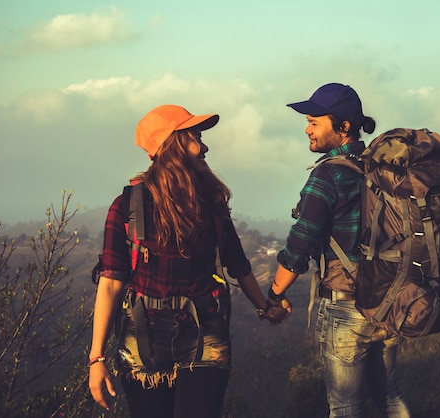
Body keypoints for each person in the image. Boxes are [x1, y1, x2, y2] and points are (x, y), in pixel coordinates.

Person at [88, 104, 291, 418]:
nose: (204, 145)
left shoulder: (211, 201)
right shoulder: (128, 205)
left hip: (204, 331)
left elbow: (238, 264)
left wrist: (265, 307)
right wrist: (96, 358)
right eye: (195, 136)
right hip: (144, 339)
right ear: (172, 146)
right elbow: (111, 281)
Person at [267, 83, 411, 417]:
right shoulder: (382, 169)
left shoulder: (328, 175)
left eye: (315, 122)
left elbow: (300, 243)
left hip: (346, 307)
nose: (307, 129)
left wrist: (274, 294)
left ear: (343, 127)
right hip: (389, 300)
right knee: (389, 395)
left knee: (345, 405)